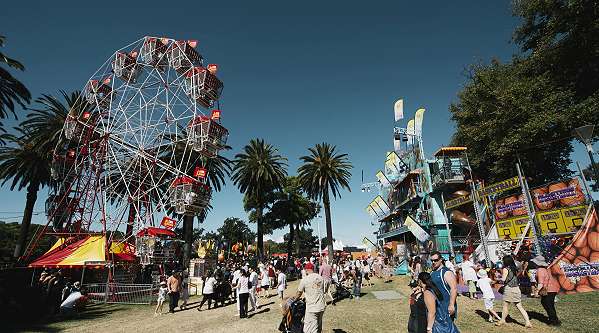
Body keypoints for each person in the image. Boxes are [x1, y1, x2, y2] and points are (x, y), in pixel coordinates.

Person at [496, 255, 532, 328]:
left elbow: (503, 280)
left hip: (509, 289)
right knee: (519, 306)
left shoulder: (505, 269)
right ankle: (528, 322)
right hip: (516, 288)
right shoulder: (514, 269)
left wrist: (498, 278)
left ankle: (502, 320)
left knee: (505, 305)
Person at [296, 262, 327, 333]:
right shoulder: (320, 278)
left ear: (306, 270)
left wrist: (295, 299)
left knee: (309, 329)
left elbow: (299, 293)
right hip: (321, 306)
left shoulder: (305, 279)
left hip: (312, 307)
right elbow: (323, 290)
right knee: (318, 326)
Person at [429, 252, 458, 322]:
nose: (433, 262)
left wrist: (451, 305)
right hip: (436, 307)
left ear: (441, 259)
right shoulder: (432, 272)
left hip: (445, 306)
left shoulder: (446, 272)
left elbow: (454, 289)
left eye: (435, 260)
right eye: (432, 260)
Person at [533, 255, 561, 326]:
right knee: (549, 305)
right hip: (552, 289)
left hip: (548, 290)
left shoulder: (540, 270)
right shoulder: (545, 269)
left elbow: (541, 283)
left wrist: (536, 291)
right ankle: (554, 319)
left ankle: (554, 321)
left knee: (548, 305)